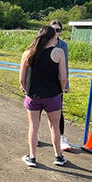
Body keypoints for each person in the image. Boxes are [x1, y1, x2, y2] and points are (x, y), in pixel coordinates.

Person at [19, 25, 68, 167]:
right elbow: (63, 78)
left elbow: (22, 79)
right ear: (53, 38)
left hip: (33, 95)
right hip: (53, 95)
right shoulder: (58, 52)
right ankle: (58, 156)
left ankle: (32, 157)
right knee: (55, 126)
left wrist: (24, 88)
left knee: (33, 126)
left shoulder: (28, 53)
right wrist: (62, 89)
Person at [50, 20, 71, 153]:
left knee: (58, 111)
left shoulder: (63, 45)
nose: (56, 33)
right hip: (42, 81)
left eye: (58, 30)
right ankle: (36, 135)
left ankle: (62, 137)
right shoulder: (41, 43)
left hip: (57, 82)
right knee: (38, 111)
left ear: (61, 31)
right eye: (53, 30)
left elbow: (65, 66)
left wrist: (66, 84)